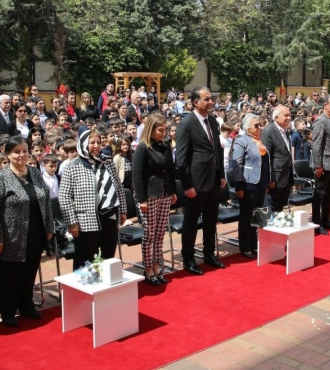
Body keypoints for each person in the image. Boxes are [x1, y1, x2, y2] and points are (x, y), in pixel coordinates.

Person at [0, 136, 53, 327]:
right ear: (8, 154)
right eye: (16, 152)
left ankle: (26, 305)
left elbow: (45, 198)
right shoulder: (2, 177)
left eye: (24, 151)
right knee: (10, 275)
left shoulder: (34, 173)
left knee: (30, 270)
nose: (21, 155)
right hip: (10, 236)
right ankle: (8, 311)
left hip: (35, 231)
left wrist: (49, 226)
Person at [175, 87, 226, 274]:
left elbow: (217, 150)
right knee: (191, 223)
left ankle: (209, 254)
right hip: (196, 183)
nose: (211, 102)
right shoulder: (186, 124)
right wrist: (187, 184)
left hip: (213, 179)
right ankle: (188, 258)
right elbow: (181, 159)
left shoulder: (213, 121)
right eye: (207, 99)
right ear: (195, 102)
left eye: (212, 99)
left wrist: (221, 175)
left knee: (211, 220)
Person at [59, 130, 127, 271]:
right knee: (85, 259)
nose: (96, 146)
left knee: (107, 257)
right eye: (92, 143)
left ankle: (105, 287)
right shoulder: (73, 167)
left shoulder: (107, 162)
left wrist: (123, 211)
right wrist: (72, 222)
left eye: (99, 142)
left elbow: (119, 188)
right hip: (86, 221)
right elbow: (64, 197)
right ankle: (82, 289)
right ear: (84, 144)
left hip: (110, 216)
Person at [132, 113, 177, 284]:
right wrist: (142, 200)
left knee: (159, 234)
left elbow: (170, 171)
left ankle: (158, 264)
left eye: (165, 129)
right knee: (149, 234)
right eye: (160, 130)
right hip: (149, 196)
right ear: (151, 129)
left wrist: (172, 191)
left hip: (164, 193)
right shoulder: (142, 147)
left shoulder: (165, 145)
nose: (164, 133)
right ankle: (148, 267)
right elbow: (137, 176)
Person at [230, 114, 272, 258]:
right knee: (246, 216)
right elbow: (237, 164)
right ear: (248, 127)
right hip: (248, 184)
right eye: (256, 125)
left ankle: (254, 244)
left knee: (257, 216)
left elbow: (266, 164)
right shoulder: (242, 141)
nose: (260, 127)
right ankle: (245, 246)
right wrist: (239, 186)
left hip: (261, 184)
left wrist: (267, 181)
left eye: (260, 125)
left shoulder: (260, 141)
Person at [309, 95, 330, 235]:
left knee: (328, 194)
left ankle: (325, 220)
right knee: (320, 195)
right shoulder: (321, 122)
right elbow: (317, 146)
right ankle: (317, 223)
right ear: (325, 105)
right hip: (323, 164)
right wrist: (318, 166)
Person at [261, 105, 294, 213]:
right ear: (276, 117)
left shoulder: (286, 131)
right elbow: (267, 157)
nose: (289, 118)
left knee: (280, 206)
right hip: (275, 178)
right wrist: (270, 178)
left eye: (290, 115)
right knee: (271, 206)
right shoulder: (269, 131)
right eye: (286, 115)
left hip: (286, 176)